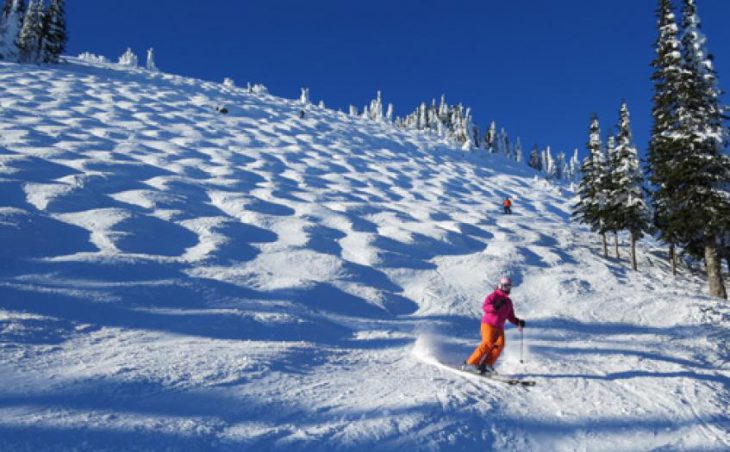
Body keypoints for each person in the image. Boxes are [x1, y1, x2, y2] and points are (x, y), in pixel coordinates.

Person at [464, 276, 525, 374]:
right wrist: (495, 306)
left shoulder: (508, 302)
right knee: (487, 343)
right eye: (505, 286)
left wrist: (518, 322)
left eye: (509, 287)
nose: (507, 289)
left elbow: (510, 316)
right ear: (500, 286)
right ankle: (470, 363)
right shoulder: (493, 296)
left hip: (499, 327)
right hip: (488, 324)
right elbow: (485, 307)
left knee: (500, 345)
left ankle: (486, 365)